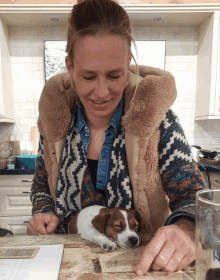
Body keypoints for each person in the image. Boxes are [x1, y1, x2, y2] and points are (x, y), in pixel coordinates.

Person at [27, 0, 205, 276]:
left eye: (114, 75)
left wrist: (187, 227)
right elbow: (41, 186)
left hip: (144, 264)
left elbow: (192, 195)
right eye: (87, 76)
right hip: (68, 264)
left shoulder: (158, 121)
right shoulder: (54, 121)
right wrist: (44, 211)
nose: (101, 92)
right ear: (70, 67)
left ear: (128, 65)